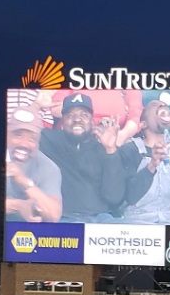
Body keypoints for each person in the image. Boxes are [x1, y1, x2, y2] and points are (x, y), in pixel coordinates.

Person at [39, 93, 125, 223]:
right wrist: (35, 107)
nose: (77, 119)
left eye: (83, 115)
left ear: (92, 121)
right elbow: (23, 131)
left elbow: (114, 197)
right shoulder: (50, 140)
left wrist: (110, 151)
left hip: (101, 219)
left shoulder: (104, 147)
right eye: (70, 115)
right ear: (62, 121)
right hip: (66, 219)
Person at [6, 106, 62, 222]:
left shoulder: (48, 167)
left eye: (32, 139)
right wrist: (17, 206)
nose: (24, 144)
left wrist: (23, 180)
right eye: (18, 135)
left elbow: (53, 215)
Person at [50, 89, 143, 146]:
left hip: (114, 136)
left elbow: (135, 116)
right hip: (76, 134)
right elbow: (55, 108)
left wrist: (123, 135)